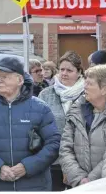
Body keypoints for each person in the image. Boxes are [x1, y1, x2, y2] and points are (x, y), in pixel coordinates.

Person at [0, 57, 61, 191]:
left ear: (20, 80)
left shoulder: (40, 108)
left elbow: (54, 144)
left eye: (5, 76)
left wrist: (26, 167)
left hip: (35, 186)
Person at [60, 65, 106, 187]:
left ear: (104, 89)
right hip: (78, 184)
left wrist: (90, 181)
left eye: (89, 84)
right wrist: (79, 179)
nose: (84, 87)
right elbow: (65, 148)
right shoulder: (76, 110)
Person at [38, 51, 85, 191]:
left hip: (80, 161)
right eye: (62, 69)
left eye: (69, 70)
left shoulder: (87, 94)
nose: (64, 73)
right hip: (53, 160)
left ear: (79, 72)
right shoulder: (46, 94)